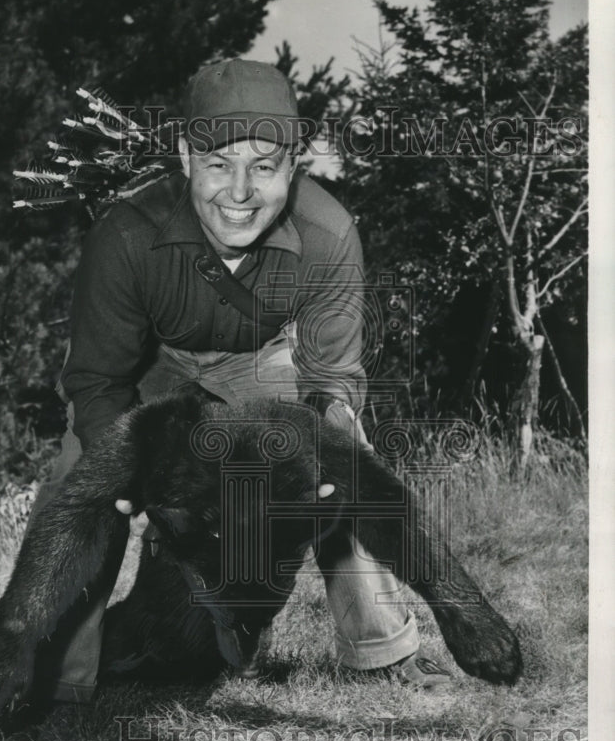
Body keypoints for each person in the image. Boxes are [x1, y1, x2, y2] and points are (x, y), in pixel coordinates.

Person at [30, 58, 450, 702]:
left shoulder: (328, 232)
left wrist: (323, 444)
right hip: (155, 365)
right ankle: (56, 673)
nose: (240, 191)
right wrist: (136, 467)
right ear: (184, 155)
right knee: (76, 477)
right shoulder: (125, 233)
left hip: (262, 355)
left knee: (342, 453)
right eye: (219, 164)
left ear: (293, 164)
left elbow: (333, 375)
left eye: (264, 166)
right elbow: (96, 380)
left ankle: (382, 649)